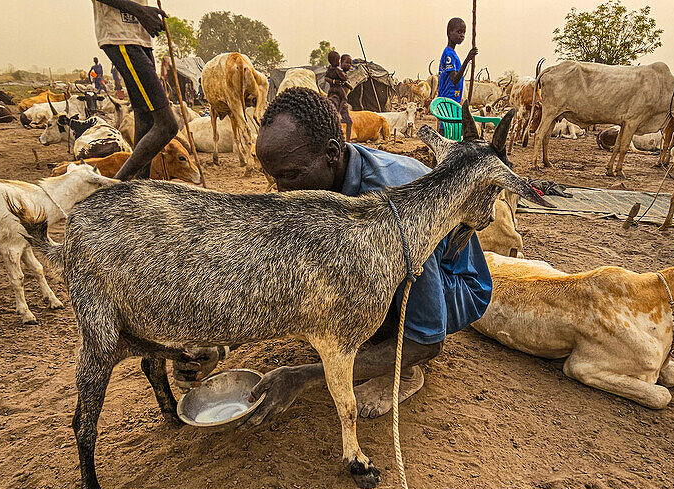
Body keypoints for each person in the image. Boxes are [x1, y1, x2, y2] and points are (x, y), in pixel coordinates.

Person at [195, 87, 489, 421]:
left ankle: (404, 371)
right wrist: (221, 342)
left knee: (363, 275)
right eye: (274, 178)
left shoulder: (390, 205)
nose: (280, 190)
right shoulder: (315, 182)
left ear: (333, 154)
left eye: (290, 176)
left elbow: (428, 340)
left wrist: (304, 377)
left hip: (457, 285)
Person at [90, 0, 179, 181]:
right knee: (167, 125)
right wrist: (139, 11)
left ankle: (139, 188)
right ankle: (115, 187)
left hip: (140, 38)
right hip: (120, 36)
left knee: (145, 118)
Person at [437, 17, 478, 104]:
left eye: (464, 32)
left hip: (453, 100)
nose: (462, 35)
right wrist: (467, 59)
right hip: (447, 101)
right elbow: (455, 80)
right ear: (449, 33)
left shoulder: (452, 53)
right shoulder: (449, 54)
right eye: (459, 32)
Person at [325, 51, 352, 142]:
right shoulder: (338, 70)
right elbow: (344, 79)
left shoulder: (329, 69)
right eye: (347, 63)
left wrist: (332, 81)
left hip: (331, 90)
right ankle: (339, 113)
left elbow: (326, 78)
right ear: (339, 61)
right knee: (345, 99)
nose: (349, 65)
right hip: (338, 92)